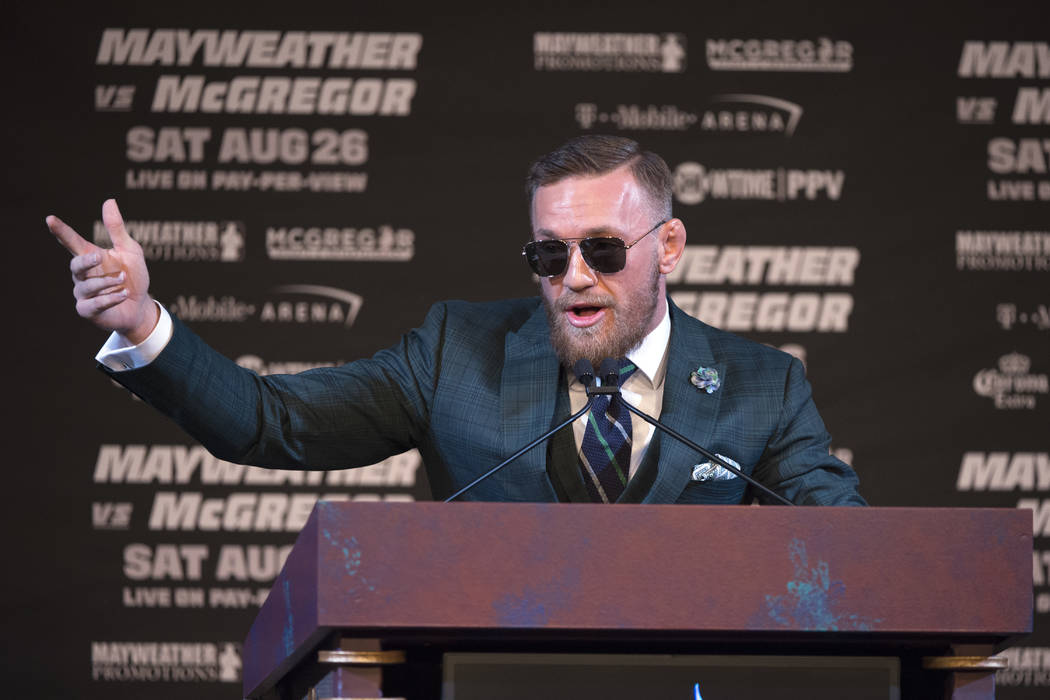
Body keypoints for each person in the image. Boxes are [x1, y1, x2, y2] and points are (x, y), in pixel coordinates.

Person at [46, 135, 865, 506]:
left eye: (603, 250)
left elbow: (850, 553)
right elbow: (270, 422)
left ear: (670, 245)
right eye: (549, 255)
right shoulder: (454, 355)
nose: (574, 277)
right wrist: (143, 320)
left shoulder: (764, 386)